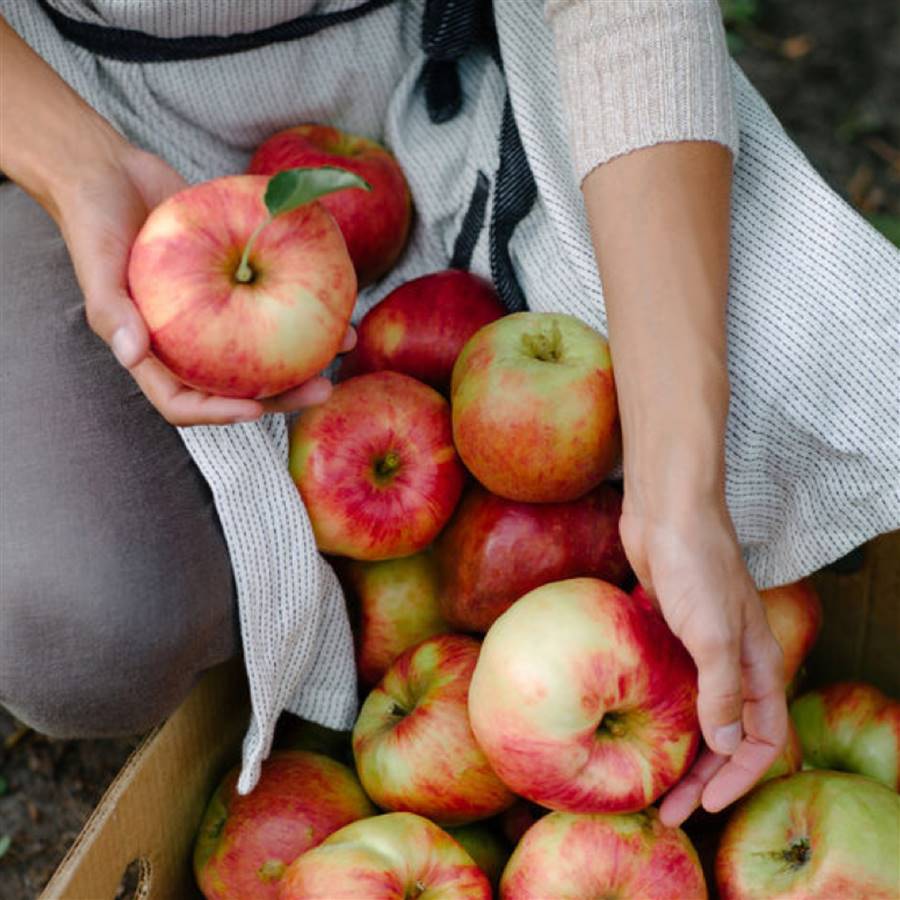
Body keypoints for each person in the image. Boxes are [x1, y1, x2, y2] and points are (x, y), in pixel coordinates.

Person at [1, 0, 897, 824]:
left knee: (821, 376)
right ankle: (253, 613)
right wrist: (76, 170)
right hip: (78, 110)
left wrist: (679, 485)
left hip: (444, 79)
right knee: (90, 623)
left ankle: (279, 630)